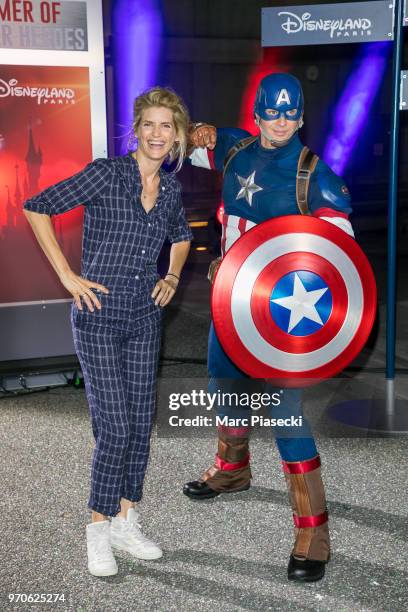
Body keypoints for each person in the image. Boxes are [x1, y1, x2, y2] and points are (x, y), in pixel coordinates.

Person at [183, 73, 354, 582]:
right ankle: (233, 470)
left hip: (284, 317)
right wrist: (196, 133)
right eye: (270, 112)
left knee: (287, 416)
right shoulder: (234, 149)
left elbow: (337, 260)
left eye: (289, 112)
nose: (280, 121)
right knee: (224, 386)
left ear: (301, 116)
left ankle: (313, 528)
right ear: (256, 114)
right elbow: (175, 147)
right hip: (228, 304)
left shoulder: (317, 176)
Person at [23, 87, 193, 577]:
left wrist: (173, 276)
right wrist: (67, 276)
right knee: (114, 427)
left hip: (145, 317)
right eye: (150, 125)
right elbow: (38, 205)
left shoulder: (172, 190)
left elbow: (181, 236)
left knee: (141, 424)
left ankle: (126, 520)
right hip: (97, 315)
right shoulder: (106, 173)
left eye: (168, 126)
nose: (158, 134)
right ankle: (97, 531)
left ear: (177, 136)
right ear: (136, 129)